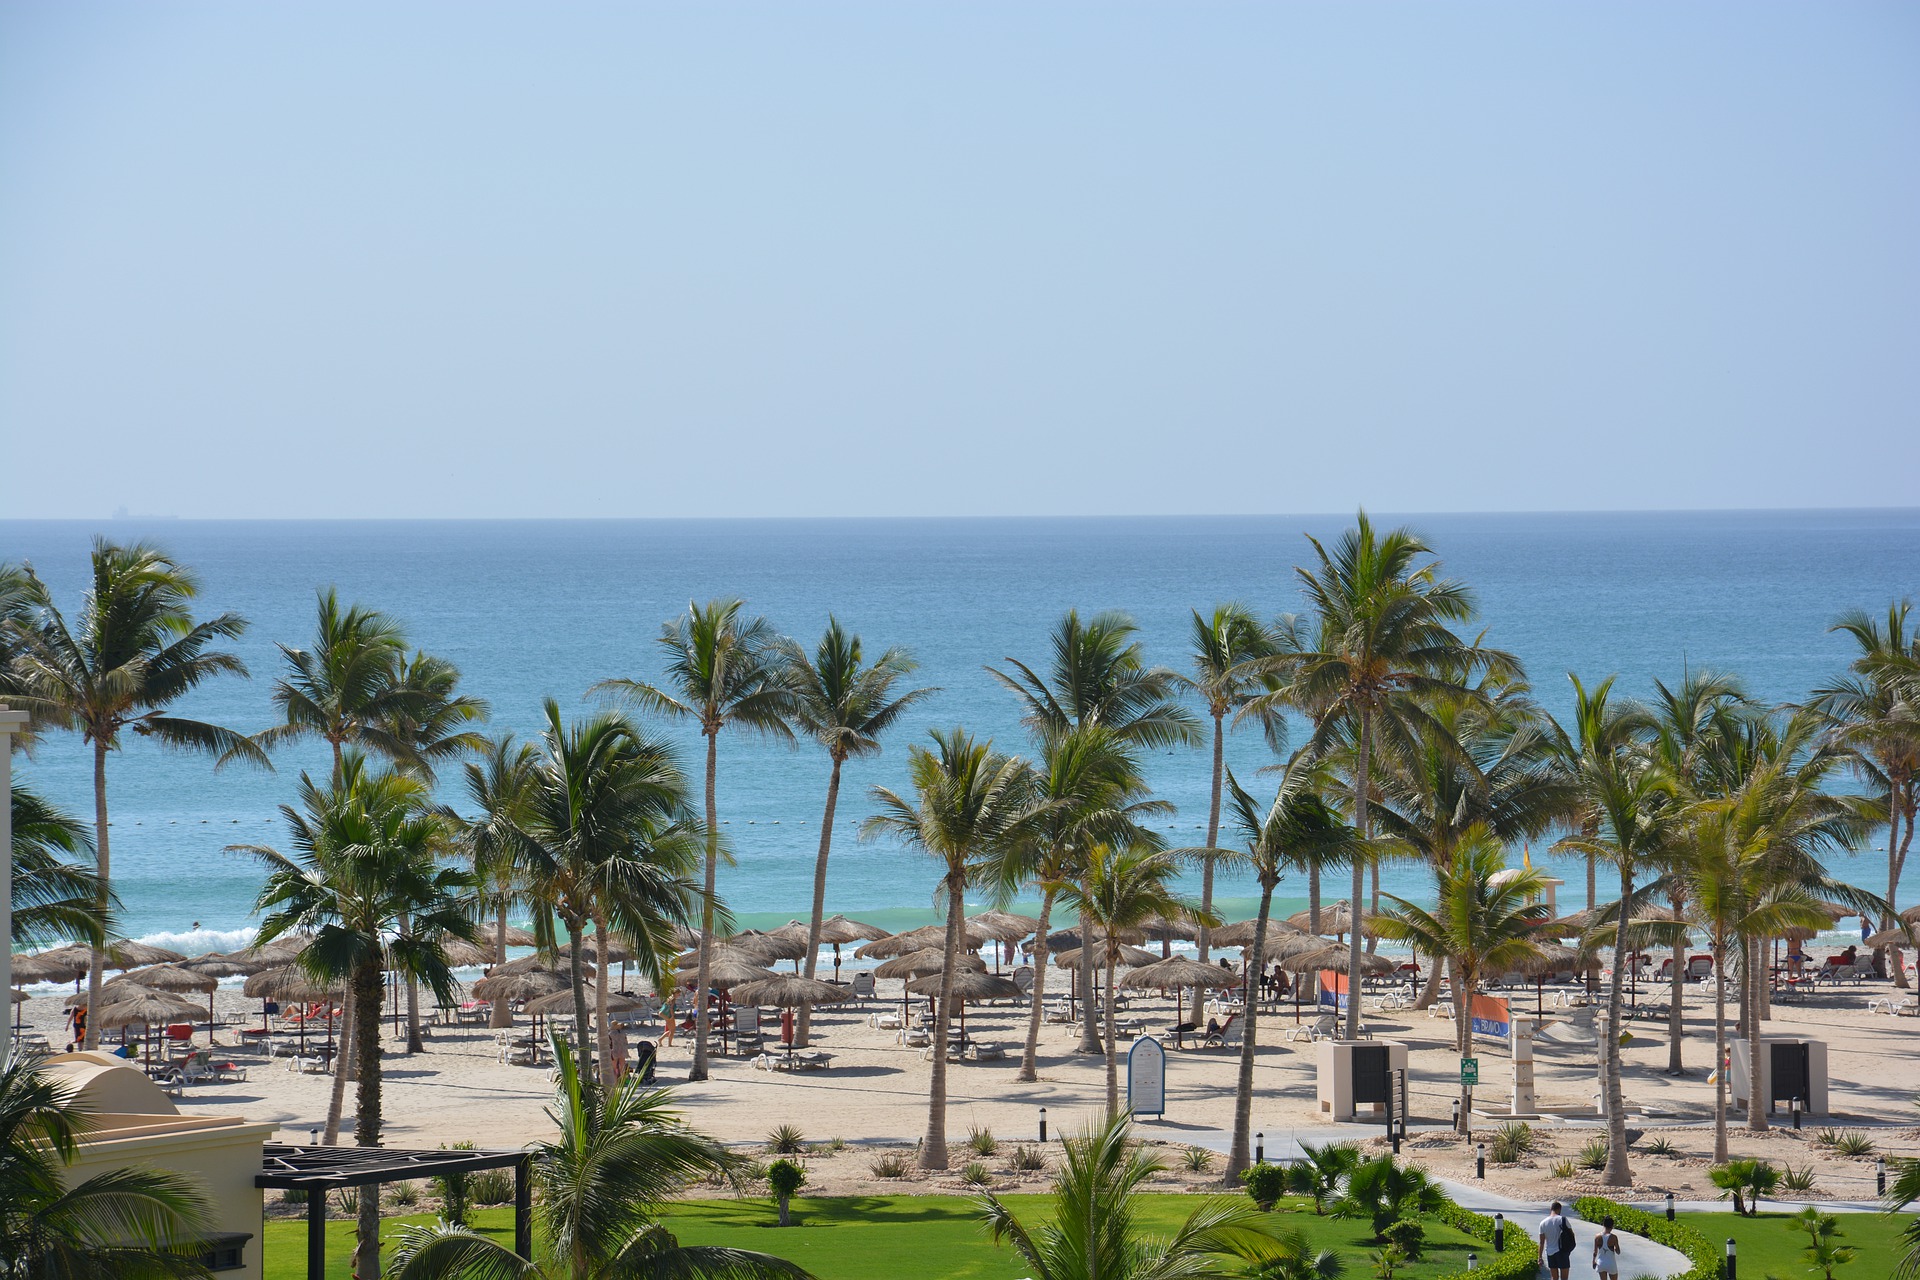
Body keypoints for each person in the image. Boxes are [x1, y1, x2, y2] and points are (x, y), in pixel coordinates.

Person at [1538, 1201, 1574, 1280]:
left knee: (1554, 1277)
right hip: (1562, 1251)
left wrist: (1540, 1257)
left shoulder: (1543, 1223)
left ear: (1551, 1209)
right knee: (1564, 1278)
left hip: (1550, 1252)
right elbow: (1571, 1234)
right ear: (1559, 1209)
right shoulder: (1563, 1220)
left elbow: (1541, 1242)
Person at [1590, 1215, 1621, 1280]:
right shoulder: (1614, 1237)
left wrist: (1593, 1261)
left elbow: (1595, 1252)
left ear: (1603, 1224)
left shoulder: (1597, 1236)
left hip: (1601, 1263)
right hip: (1611, 1263)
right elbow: (1618, 1251)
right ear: (1612, 1226)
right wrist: (1615, 1248)